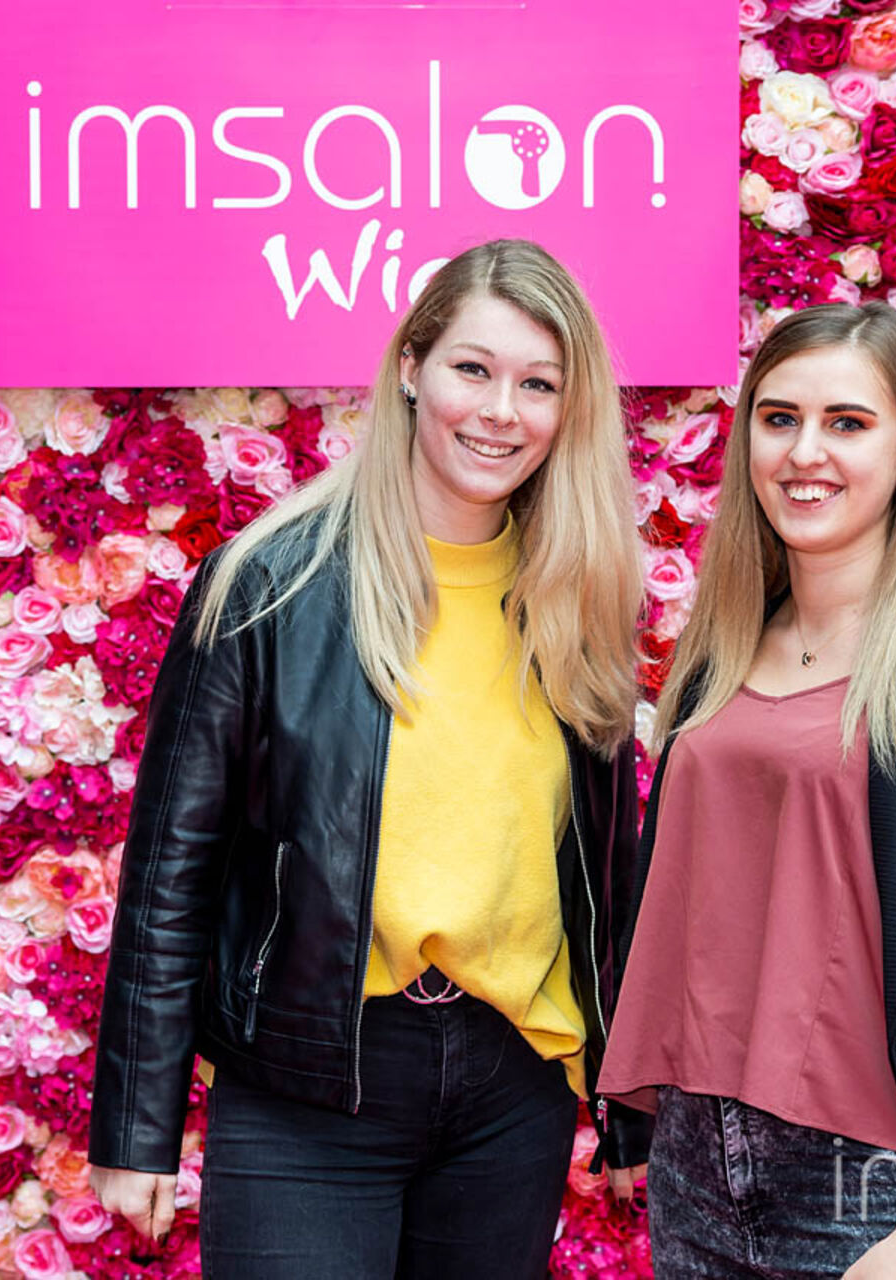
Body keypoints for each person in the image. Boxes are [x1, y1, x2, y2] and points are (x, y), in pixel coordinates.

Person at [87, 238, 648, 1279]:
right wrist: (136, 1125)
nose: (501, 411)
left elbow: (609, 877)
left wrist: (629, 1108)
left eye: (538, 384)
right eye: (473, 368)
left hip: (513, 1090)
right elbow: (171, 871)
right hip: (307, 1087)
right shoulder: (267, 583)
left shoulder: (580, 596)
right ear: (411, 367)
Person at [598, 302, 896, 1278]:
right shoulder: (715, 653)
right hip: (695, 1159)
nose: (804, 451)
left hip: (880, 1186)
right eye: (778, 418)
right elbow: (682, 901)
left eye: (847, 422)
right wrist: (635, 1124)